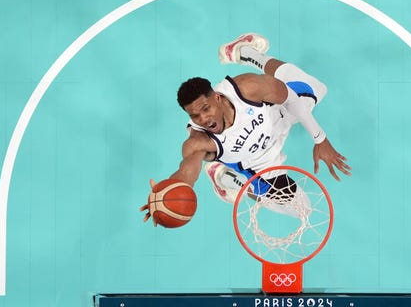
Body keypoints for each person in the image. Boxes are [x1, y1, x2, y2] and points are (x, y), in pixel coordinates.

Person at [141, 33, 350, 226]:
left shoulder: (247, 88)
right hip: (260, 161)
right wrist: (165, 195)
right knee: (302, 209)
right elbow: (187, 174)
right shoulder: (199, 143)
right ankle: (228, 179)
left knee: (316, 89)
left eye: (206, 109)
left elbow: (290, 98)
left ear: (218, 97)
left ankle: (246, 52)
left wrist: (320, 139)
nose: (203, 118)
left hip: (274, 117)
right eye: (195, 116)